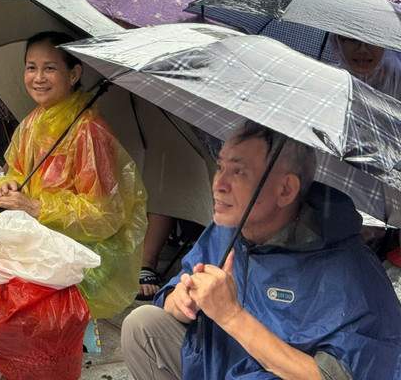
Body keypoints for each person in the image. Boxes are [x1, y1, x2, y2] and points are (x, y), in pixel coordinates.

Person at [121, 121, 401, 380]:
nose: (218, 184)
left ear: (285, 189)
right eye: (220, 167)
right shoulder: (227, 231)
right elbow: (174, 292)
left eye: (239, 171)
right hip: (224, 363)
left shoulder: (349, 270)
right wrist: (182, 300)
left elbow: (333, 375)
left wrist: (232, 316)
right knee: (143, 326)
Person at [0, 32, 147, 321]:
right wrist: (7, 187)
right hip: (35, 239)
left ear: (74, 74)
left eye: (49, 68)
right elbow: (16, 171)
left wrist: (36, 207)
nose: (38, 77)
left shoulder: (90, 132)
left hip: (77, 252)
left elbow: (104, 216)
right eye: (31, 67)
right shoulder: (34, 121)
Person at [330, 35, 401, 99]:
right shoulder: (328, 81)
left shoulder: (397, 81)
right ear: (337, 43)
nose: (362, 50)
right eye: (352, 39)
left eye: (373, 39)